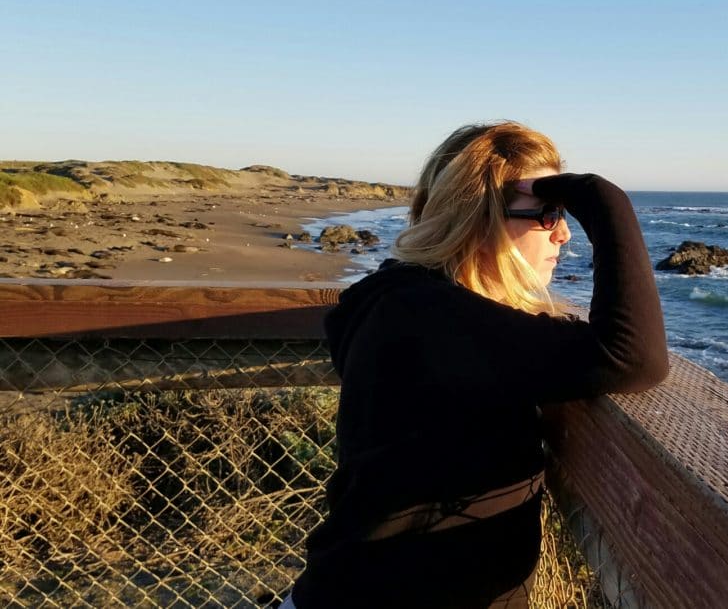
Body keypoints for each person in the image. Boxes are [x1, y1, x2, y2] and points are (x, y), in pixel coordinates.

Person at [284, 121, 668, 608]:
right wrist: (606, 202)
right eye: (548, 214)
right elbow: (632, 356)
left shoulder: (408, 300)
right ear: (479, 218)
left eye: (566, 214)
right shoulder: (433, 320)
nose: (565, 234)